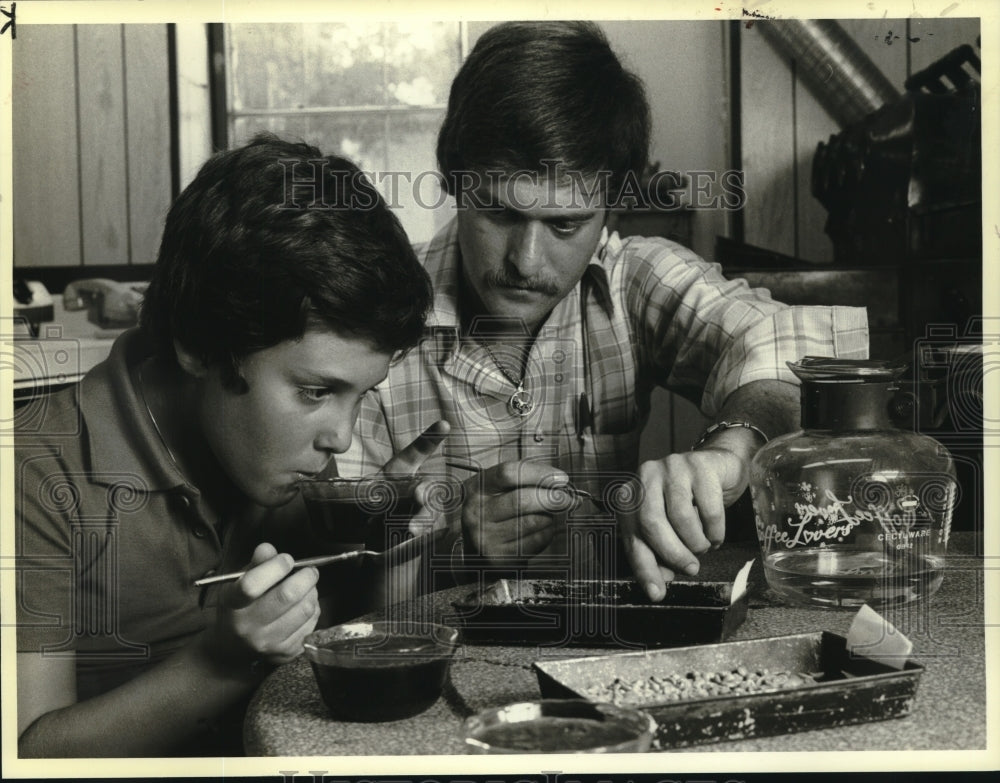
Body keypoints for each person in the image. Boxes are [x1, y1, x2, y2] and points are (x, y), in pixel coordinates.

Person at [338, 21, 869, 597]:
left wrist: (730, 452)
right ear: (453, 179)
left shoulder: (632, 278)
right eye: (498, 214)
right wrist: (452, 549)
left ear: (614, 205)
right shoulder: (373, 315)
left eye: (565, 223)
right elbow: (337, 588)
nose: (525, 260)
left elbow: (795, 343)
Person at [14, 134, 445, 757]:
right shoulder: (33, 478)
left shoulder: (266, 456)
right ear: (199, 343)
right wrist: (222, 662)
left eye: (362, 395)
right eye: (316, 391)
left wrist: (384, 541)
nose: (341, 438)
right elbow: (25, 757)